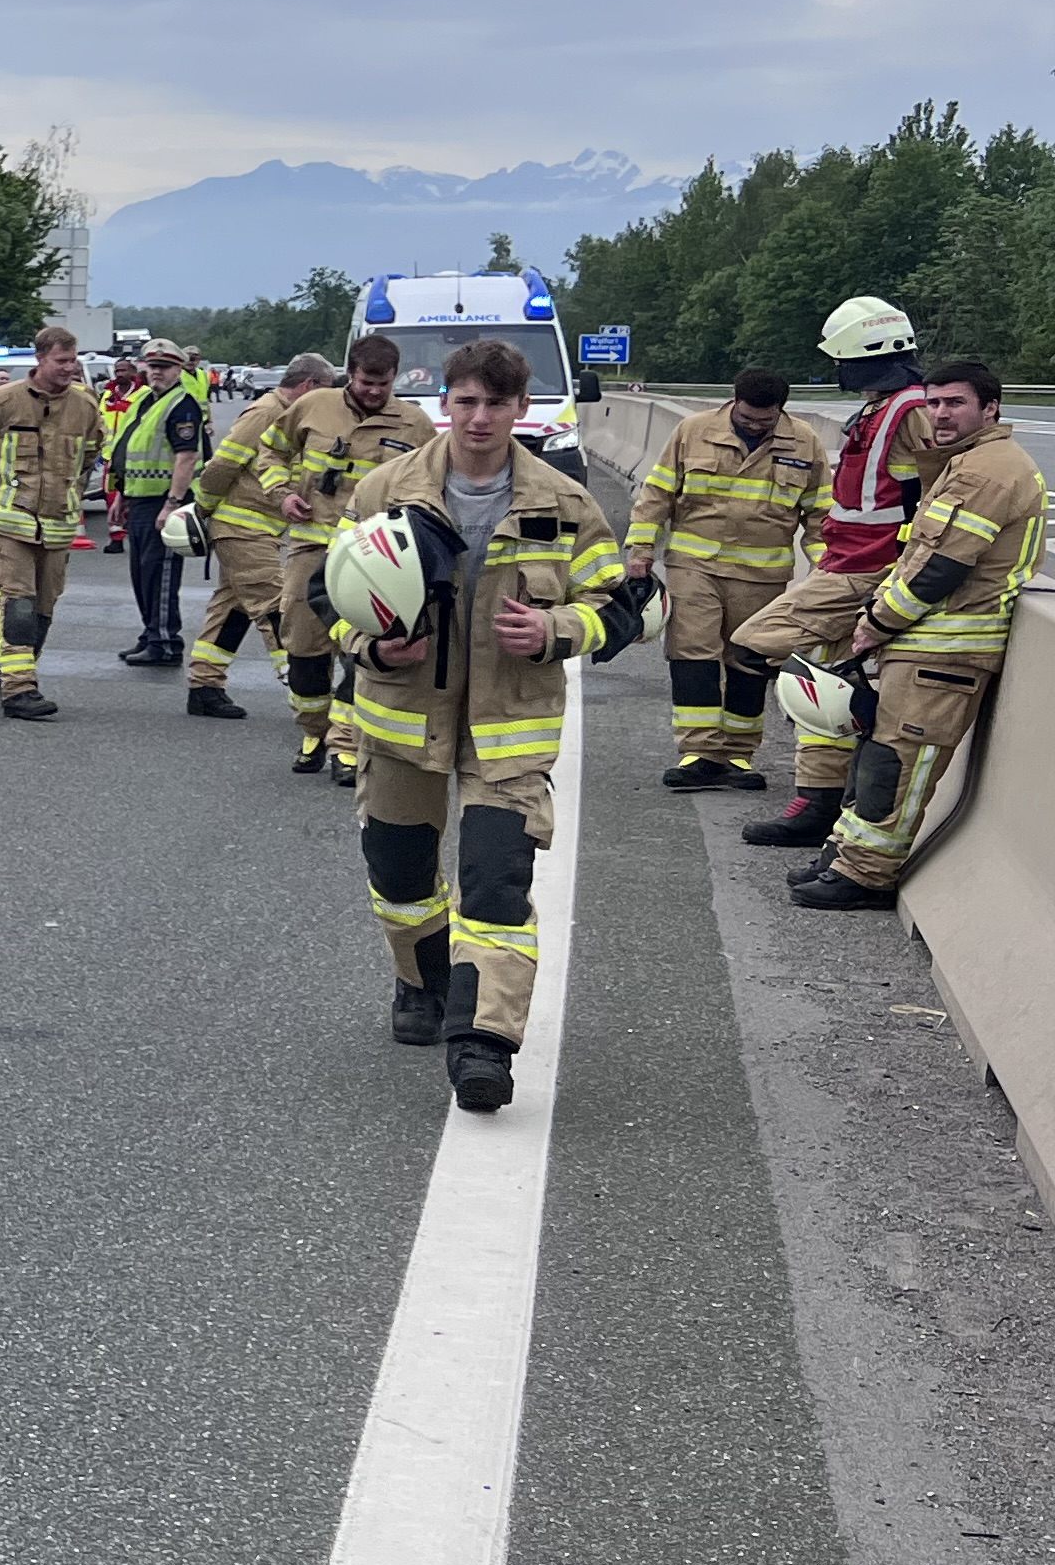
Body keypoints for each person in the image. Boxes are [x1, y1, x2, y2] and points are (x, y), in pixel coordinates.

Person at [335, 339, 641, 1113]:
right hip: (400, 720)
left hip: (510, 730)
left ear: (520, 410)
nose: (479, 418)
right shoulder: (382, 490)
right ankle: (421, 984)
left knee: (496, 885)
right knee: (401, 881)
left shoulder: (564, 502)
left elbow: (620, 607)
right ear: (446, 402)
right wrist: (374, 642)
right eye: (466, 401)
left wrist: (556, 631)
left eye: (496, 404)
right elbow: (323, 601)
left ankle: (484, 1045)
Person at [792, 360, 1043, 913]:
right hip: (924, 644)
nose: (941, 413)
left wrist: (876, 623)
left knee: (903, 763)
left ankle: (868, 875)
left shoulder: (988, 471)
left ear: (991, 408)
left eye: (955, 403)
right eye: (933, 403)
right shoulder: (964, 463)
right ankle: (846, 855)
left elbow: (942, 567)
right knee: (880, 756)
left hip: (949, 649)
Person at [732, 296, 939, 850]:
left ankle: (864, 738)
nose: (837, 369)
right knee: (819, 680)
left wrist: (903, 572)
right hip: (844, 562)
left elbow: (936, 496)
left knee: (757, 647)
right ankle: (818, 801)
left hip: (868, 572)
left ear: (868, 355)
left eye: (842, 359)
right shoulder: (882, 406)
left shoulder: (909, 410)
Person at [622, 366, 828, 791]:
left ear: (779, 411)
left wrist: (827, 567)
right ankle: (698, 752)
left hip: (762, 575)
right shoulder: (693, 431)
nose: (754, 425)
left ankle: (737, 753)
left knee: (750, 660)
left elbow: (820, 513)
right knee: (693, 653)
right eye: (747, 417)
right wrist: (640, 550)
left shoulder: (804, 441)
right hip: (695, 567)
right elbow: (656, 494)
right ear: (734, 402)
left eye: (764, 420)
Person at [261, 332, 437, 780]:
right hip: (311, 547)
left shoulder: (415, 425)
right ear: (349, 375)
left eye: (383, 384)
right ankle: (313, 732)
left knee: (363, 648)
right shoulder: (313, 406)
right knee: (301, 642)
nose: (375, 392)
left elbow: (432, 486)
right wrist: (281, 493)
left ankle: (346, 745)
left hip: (375, 558)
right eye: (365, 383)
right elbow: (269, 450)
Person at [182, 352, 332, 720]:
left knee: (231, 609)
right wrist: (203, 507)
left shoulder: (290, 415)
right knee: (279, 610)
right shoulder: (267, 413)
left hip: (261, 530)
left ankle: (204, 686)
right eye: (324, 392)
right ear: (308, 386)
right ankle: (306, 696)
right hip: (242, 529)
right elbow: (223, 465)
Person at [0, 325, 105, 720]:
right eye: (61, 361)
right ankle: (18, 690)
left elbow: (89, 457)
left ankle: (19, 672)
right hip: (9, 522)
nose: (69, 368)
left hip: (58, 525)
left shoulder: (86, 406)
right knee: (17, 603)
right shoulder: (2, 401)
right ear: (40, 358)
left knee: (43, 607)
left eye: (73, 360)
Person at [113, 340, 213, 666]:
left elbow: (186, 457)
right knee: (142, 575)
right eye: (152, 366)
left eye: (165, 366)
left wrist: (172, 504)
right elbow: (130, 450)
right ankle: (150, 633)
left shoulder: (182, 405)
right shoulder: (145, 399)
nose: (157, 371)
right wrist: (122, 496)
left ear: (179, 369)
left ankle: (166, 644)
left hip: (165, 501)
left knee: (161, 576)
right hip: (140, 498)